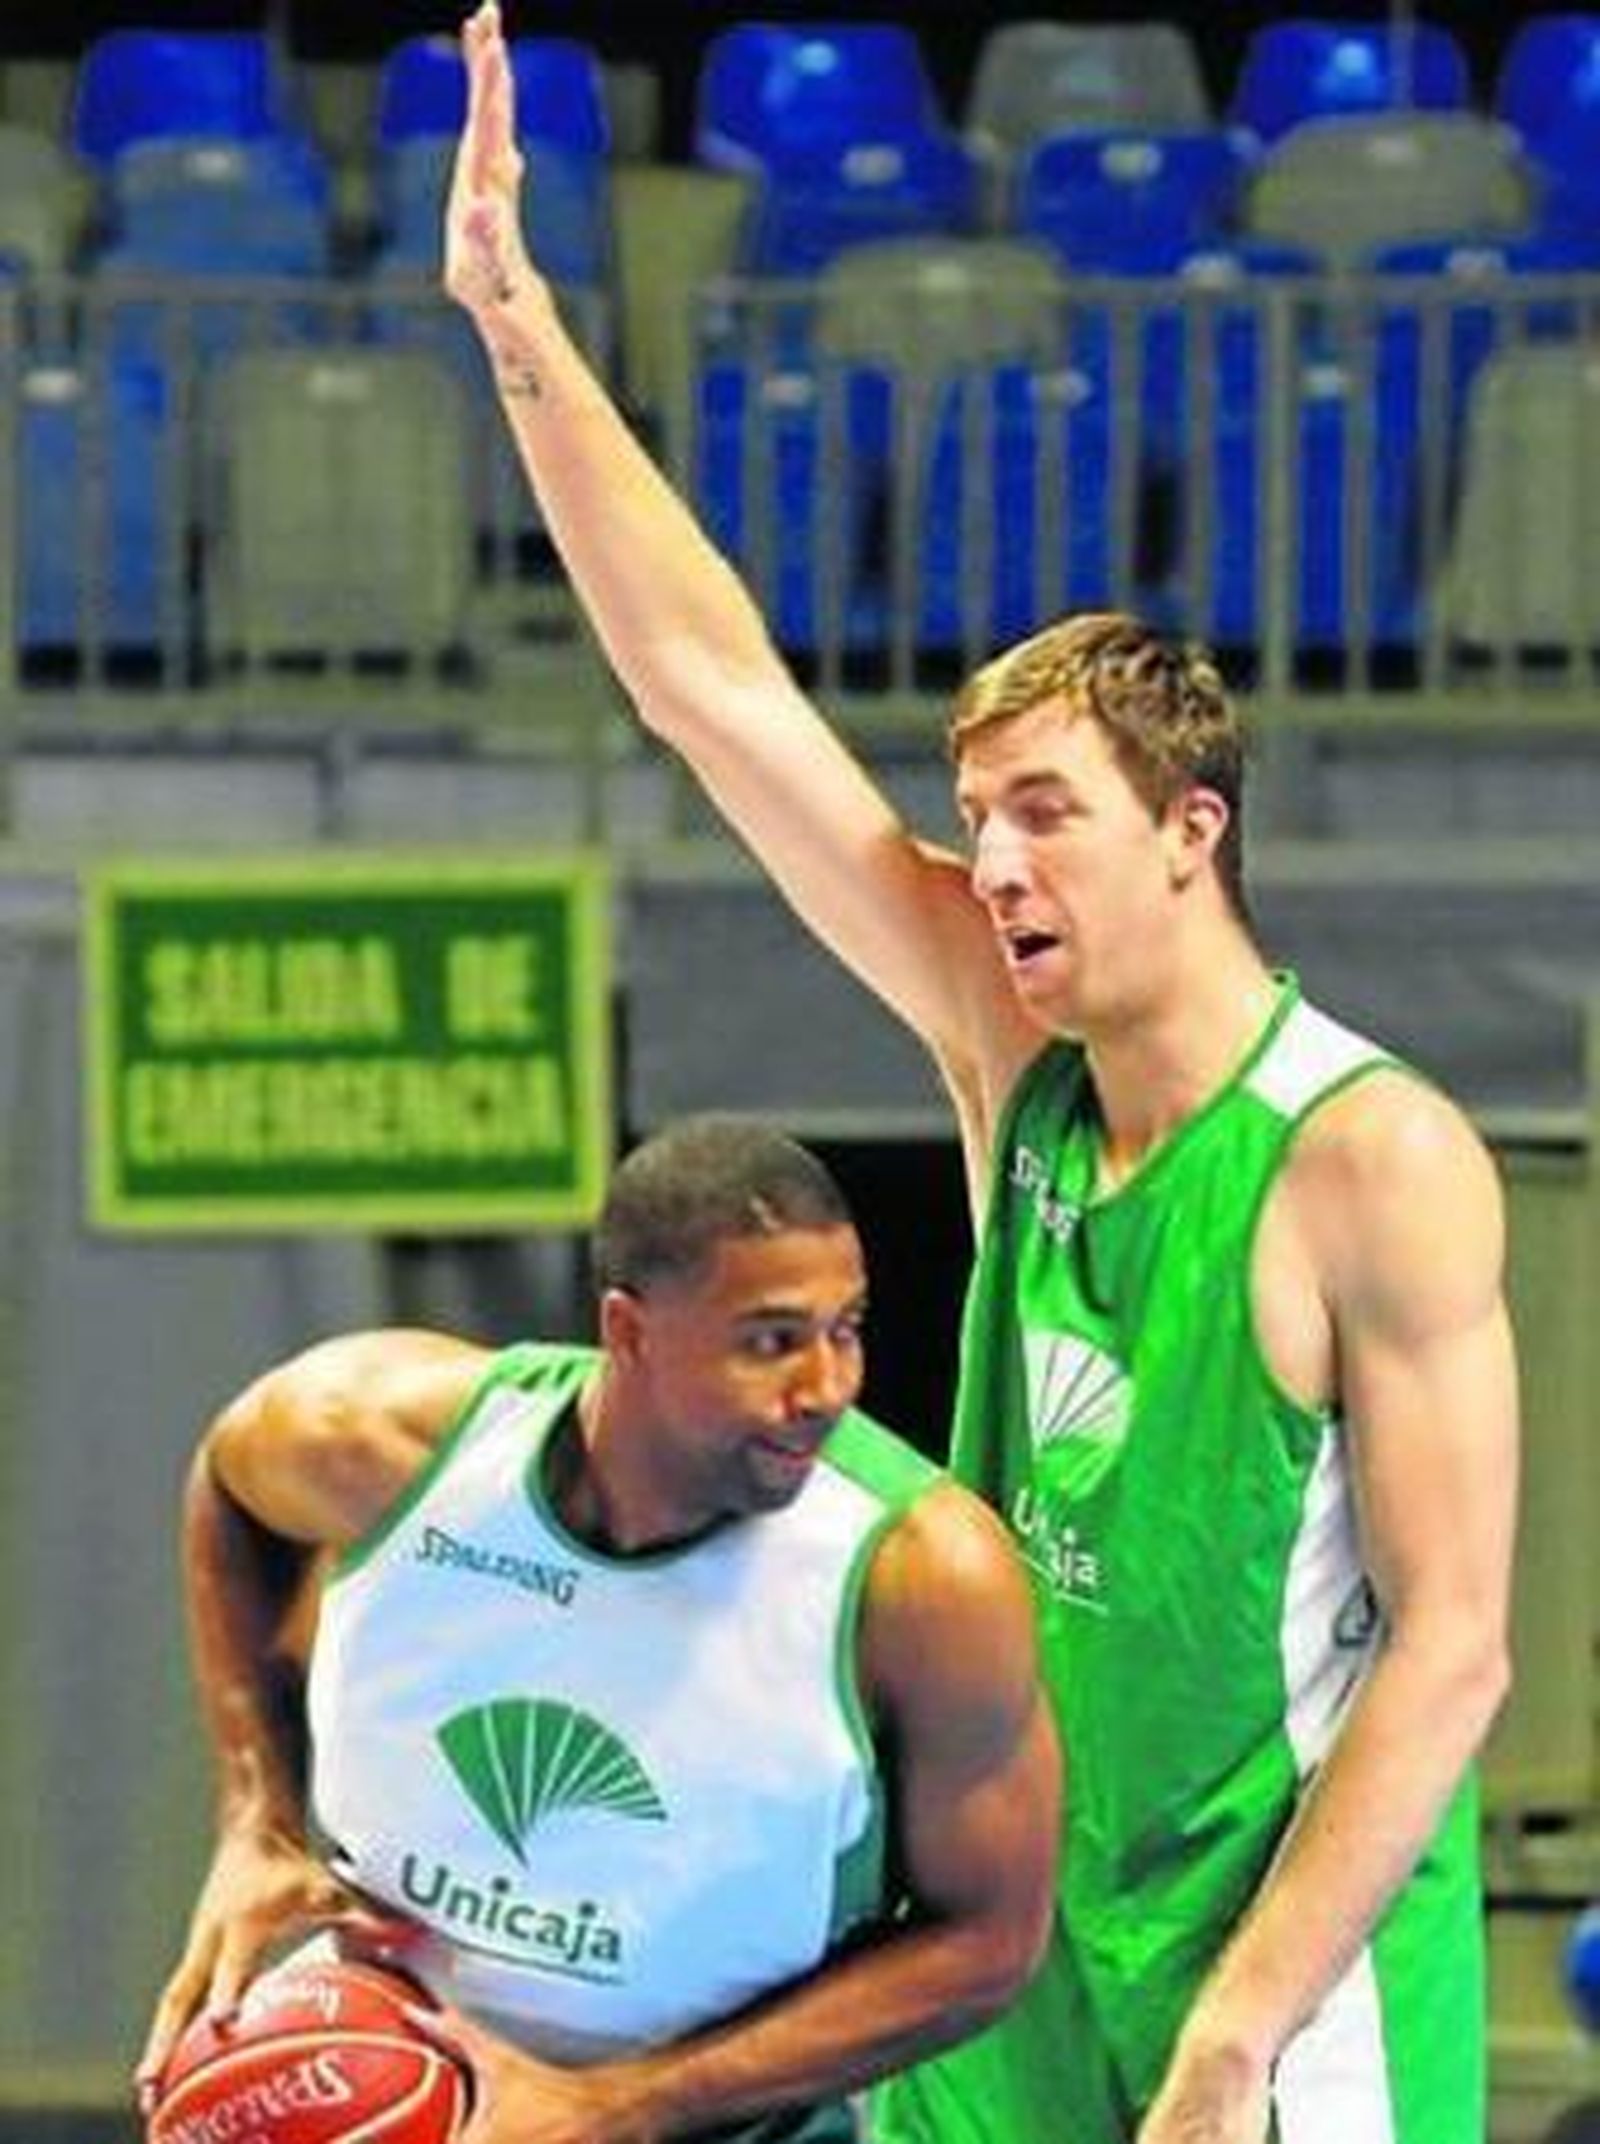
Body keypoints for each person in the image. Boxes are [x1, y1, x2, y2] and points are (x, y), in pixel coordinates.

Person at [438, 7, 1522, 2141]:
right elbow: (704, 686)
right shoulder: (1001, 1041)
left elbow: (1453, 1653)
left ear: (1186, 830)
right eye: (970, 811)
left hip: (1280, 1985)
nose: (991, 861)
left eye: (1042, 812)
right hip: (1014, 1923)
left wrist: (1237, 2030)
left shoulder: (1368, 1155)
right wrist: (511, 320)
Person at [136, 1115, 1061, 2144]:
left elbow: (989, 1941)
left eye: (846, 1328)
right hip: (381, 2063)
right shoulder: (386, 1442)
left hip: (716, 2119)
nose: (826, 1389)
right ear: (628, 1329)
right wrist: (256, 1813)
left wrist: (622, 2102)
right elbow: (230, 1480)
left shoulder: (921, 1574)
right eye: (772, 1340)